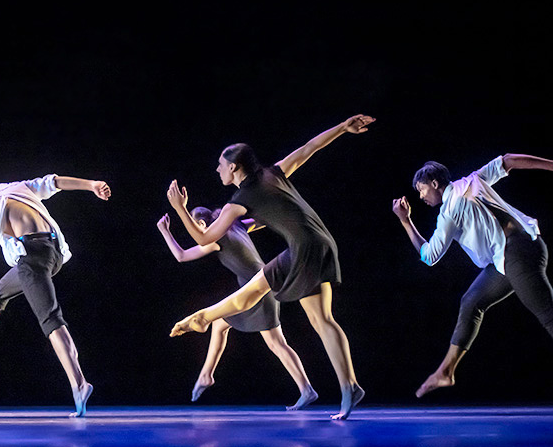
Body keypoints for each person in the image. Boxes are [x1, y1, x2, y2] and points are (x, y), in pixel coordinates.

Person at [168, 114, 373, 420]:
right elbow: (309, 147)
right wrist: (343, 127)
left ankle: (350, 386)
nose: (217, 169)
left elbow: (203, 235)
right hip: (311, 243)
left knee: (321, 321)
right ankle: (204, 318)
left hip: (306, 248)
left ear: (234, 167)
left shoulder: (238, 199)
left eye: (221, 165)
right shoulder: (273, 172)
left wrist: (180, 210)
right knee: (253, 292)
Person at [0, 158, 111, 417]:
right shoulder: (15, 186)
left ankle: (79, 384)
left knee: (50, 318)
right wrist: (91, 184)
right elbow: (54, 181)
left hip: (32, 254)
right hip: (54, 251)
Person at [392, 154, 553, 398]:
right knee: (472, 302)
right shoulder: (474, 179)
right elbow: (508, 160)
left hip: (516, 254)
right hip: (514, 253)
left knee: (549, 316)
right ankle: (446, 371)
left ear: (435, 184)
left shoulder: (449, 212)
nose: (421, 196)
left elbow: (428, 256)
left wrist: (406, 222)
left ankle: (446, 371)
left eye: (421, 189)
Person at [156, 209, 317, 409]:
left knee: (276, 343)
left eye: (195, 227)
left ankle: (306, 389)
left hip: (258, 289)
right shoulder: (236, 225)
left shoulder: (215, 239)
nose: (195, 234)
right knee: (219, 323)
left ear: (204, 226)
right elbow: (263, 219)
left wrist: (164, 231)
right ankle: (206, 375)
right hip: (261, 284)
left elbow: (181, 256)